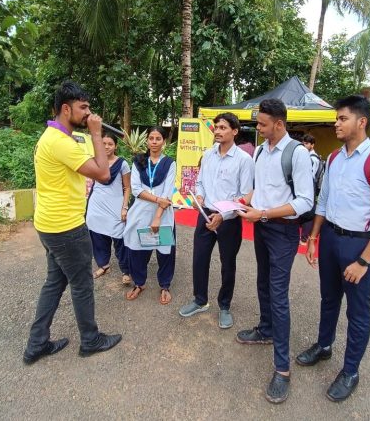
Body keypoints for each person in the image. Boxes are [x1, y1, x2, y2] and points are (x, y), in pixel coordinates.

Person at [297, 95, 370, 402]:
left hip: (359, 245)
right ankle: (324, 345)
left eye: (342, 118)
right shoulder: (333, 158)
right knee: (329, 298)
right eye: (336, 118)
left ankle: (351, 370)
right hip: (329, 238)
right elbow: (323, 201)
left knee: (358, 311)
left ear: (361, 122)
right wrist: (313, 238)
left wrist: (365, 261)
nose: (336, 123)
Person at [23, 81, 122, 365]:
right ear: (66, 109)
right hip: (66, 227)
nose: (89, 113)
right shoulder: (61, 142)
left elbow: (90, 166)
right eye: (84, 107)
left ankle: (36, 344)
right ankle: (90, 340)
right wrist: (96, 133)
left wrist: (91, 136)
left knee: (54, 282)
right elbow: (104, 173)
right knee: (81, 284)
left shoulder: (53, 138)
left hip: (49, 224)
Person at [235, 98, 314, 404]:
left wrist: (264, 213)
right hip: (262, 225)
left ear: (279, 124)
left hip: (282, 231)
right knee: (262, 283)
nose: (258, 128)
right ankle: (266, 329)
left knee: (278, 294)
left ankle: (282, 370)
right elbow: (261, 188)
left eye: (263, 124)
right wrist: (247, 200)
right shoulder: (259, 150)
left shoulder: (297, 154)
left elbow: (305, 201)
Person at [178, 113, 254, 329]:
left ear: (235, 131)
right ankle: (200, 300)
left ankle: (224, 306)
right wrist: (199, 197)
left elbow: (246, 195)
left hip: (228, 220)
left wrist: (223, 216)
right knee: (199, 259)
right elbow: (200, 181)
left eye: (223, 127)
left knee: (227, 264)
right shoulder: (208, 155)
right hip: (205, 215)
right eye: (216, 127)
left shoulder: (244, 160)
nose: (218, 131)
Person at [123, 126, 176, 305]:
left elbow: (168, 193)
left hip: (163, 214)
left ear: (164, 142)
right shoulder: (138, 161)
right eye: (151, 138)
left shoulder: (170, 163)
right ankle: (139, 283)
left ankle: (165, 285)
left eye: (158, 138)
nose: (154, 142)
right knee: (137, 250)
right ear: (147, 141)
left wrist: (158, 217)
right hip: (140, 213)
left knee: (165, 251)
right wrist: (157, 199)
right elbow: (136, 189)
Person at [86, 132, 132, 283]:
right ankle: (103, 265)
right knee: (97, 237)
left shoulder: (122, 164)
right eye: (103, 143)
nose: (106, 146)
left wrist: (124, 207)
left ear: (115, 146)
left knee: (120, 238)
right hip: (96, 205)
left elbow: (127, 188)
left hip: (115, 206)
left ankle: (126, 270)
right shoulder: (94, 162)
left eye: (110, 144)